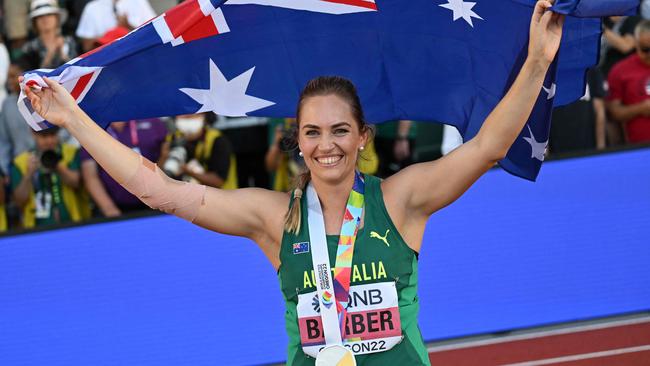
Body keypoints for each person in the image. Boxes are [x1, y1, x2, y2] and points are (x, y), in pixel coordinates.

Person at [21, 2, 564, 364]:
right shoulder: (273, 219)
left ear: (363, 138)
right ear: (297, 141)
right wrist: (72, 119)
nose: (326, 144)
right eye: (313, 132)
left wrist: (538, 58)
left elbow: (488, 146)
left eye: (339, 131)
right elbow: (160, 191)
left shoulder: (401, 201)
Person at [81, 119, 168, 217]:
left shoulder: (153, 121)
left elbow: (166, 157)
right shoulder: (93, 127)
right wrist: (110, 210)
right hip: (115, 209)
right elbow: (90, 176)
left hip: (156, 205)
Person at [10, 127, 86, 229]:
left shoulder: (69, 153)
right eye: (44, 136)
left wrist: (56, 164)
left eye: (53, 135)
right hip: (36, 227)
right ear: (34, 134)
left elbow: (75, 183)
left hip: (72, 222)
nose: (49, 141)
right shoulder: (21, 161)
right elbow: (19, 200)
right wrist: (29, 174)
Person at [162, 113, 237, 189]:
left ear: (205, 117)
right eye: (183, 115)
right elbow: (160, 173)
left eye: (193, 115)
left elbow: (218, 181)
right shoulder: (172, 138)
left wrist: (188, 171)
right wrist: (163, 157)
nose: (188, 118)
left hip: (220, 196)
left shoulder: (217, 140)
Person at [607, 20, 650, 145]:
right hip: (637, 148)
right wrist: (641, 108)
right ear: (636, 45)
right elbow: (614, 112)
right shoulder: (620, 70)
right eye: (645, 49)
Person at [20, 0, 78, 70]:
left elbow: (76, 70)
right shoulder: (29, 48)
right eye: (40, 16)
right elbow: (30, 76)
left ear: (57, 18)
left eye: (49, 14)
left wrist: (63, 54)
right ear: (34, 22)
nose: (45, 19)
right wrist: (49, 54)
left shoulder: (69, 41)